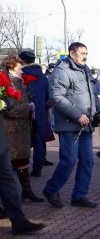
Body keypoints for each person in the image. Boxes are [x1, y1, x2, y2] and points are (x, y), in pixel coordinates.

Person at [43, 42, 100, 209]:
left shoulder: (85, 71)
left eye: (87, 53)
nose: (86, 56)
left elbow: (93, 97)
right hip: (69, 125)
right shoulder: (62, 71)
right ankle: (51, 189)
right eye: (82, 53)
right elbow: (56, 97)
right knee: (69, 160)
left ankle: (79, 195)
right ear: (72, 53)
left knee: (87, 161)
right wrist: (77, 115)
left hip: (86, 125)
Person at [0, 71, 46, 235]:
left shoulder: (1, 77)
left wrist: (4, 103)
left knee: (7, 181)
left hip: (1, 142)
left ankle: (18, 221)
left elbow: (11, 96)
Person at [2, 56, 44, 202]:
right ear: (11, 67)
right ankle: (9, 199)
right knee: (9, 165)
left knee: (22, 161)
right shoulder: (6, 83)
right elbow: (8, 110)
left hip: (22, 129)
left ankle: (27, 191)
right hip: (11, 131)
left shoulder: (19, 82)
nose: (22, 70)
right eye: (19, 68)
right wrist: (29, 107)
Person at [18, 51, 53, 178]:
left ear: (22, 61)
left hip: (22, 112)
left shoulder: (20, 75)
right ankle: (37, 169)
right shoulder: (43, 76)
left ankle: (21, 170)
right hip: (40, 113)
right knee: (38, 140)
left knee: (22, 141)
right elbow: (48, 97)